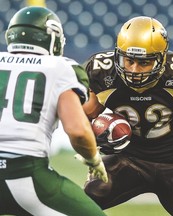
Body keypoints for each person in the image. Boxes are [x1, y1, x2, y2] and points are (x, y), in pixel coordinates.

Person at [82, 16, 173, 216]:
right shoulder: (103, 74)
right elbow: (84, 116)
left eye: (144, 62)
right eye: (129, 60)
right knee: (83, 200)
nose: (134, 70)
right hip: (127, 159)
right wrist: (94, 137)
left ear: (161, 58)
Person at [0, 6, 108, 216]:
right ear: (51, 38)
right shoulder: (59, 67)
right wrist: (93, 158)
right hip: (24, 173)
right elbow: (77, 130)